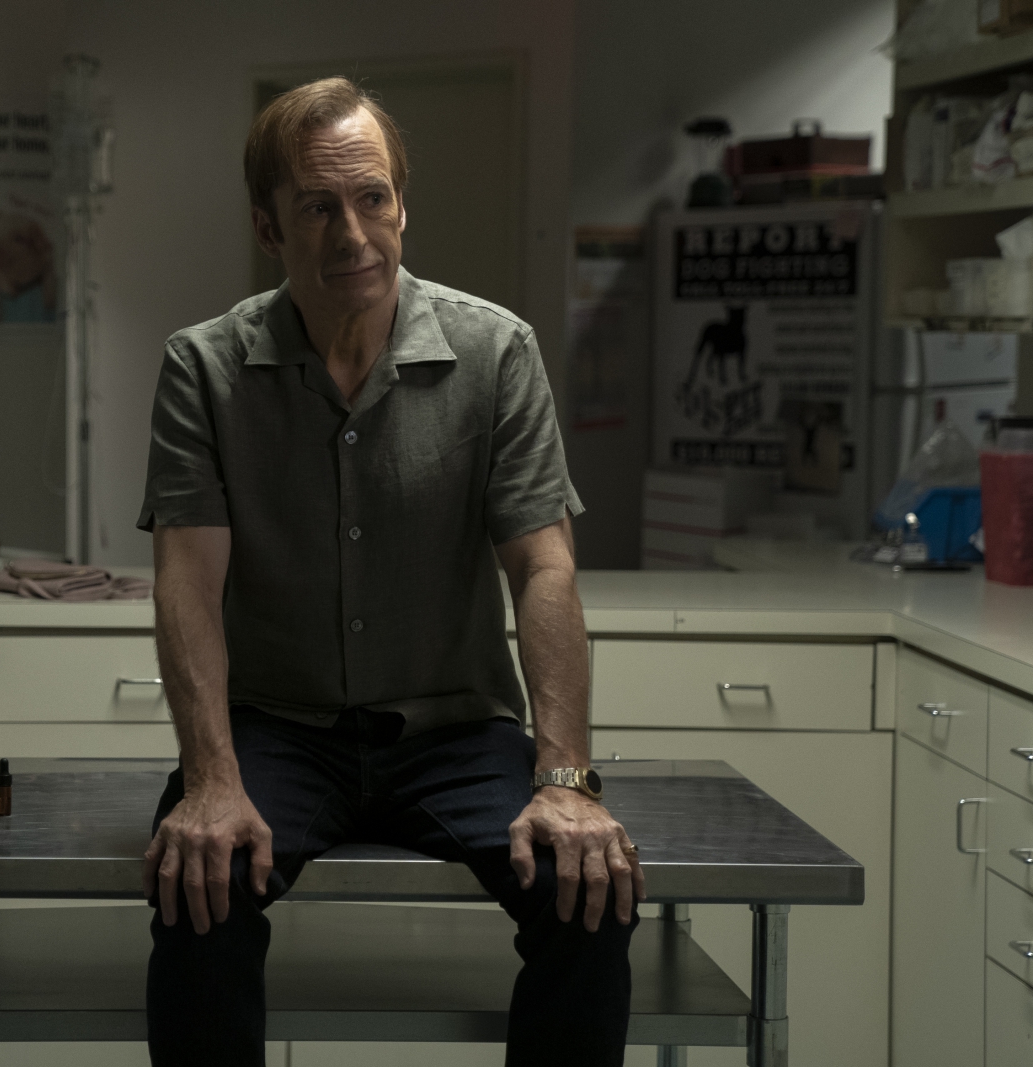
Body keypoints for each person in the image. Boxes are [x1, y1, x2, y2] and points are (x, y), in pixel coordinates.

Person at [136, 76, 644, 1067]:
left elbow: (543, 567)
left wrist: (566, 778)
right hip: (277, 727)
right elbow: (187, 580)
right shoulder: (203, 369)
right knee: (200, 888)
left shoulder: (495, 352)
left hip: (454, 730)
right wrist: (210, 779)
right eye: (317, 207)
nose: (353, 233)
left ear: (403, 204)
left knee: (586, 892)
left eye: (372, 197)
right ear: (268, 226)